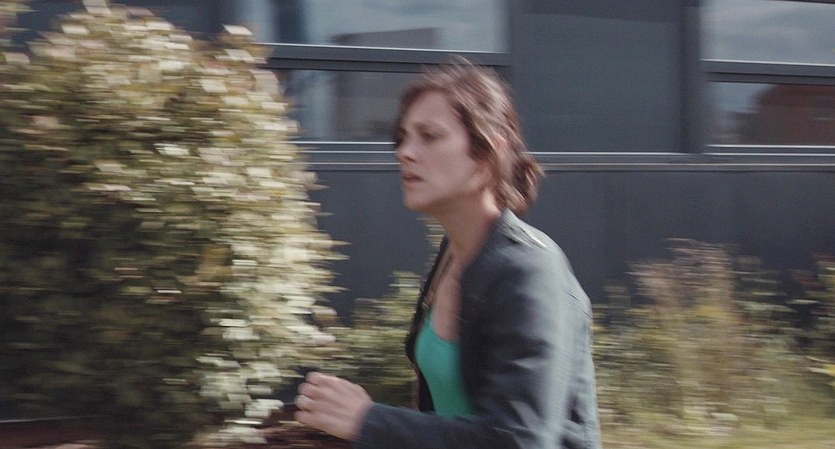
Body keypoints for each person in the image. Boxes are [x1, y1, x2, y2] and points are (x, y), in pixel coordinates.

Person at [294, 61, 603, 449]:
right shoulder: (453, 256)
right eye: (403, 137)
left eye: (429, 136)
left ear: (488, 154)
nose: (405, 152)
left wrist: (369, 421)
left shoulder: (529, 271)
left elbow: (519, 440)